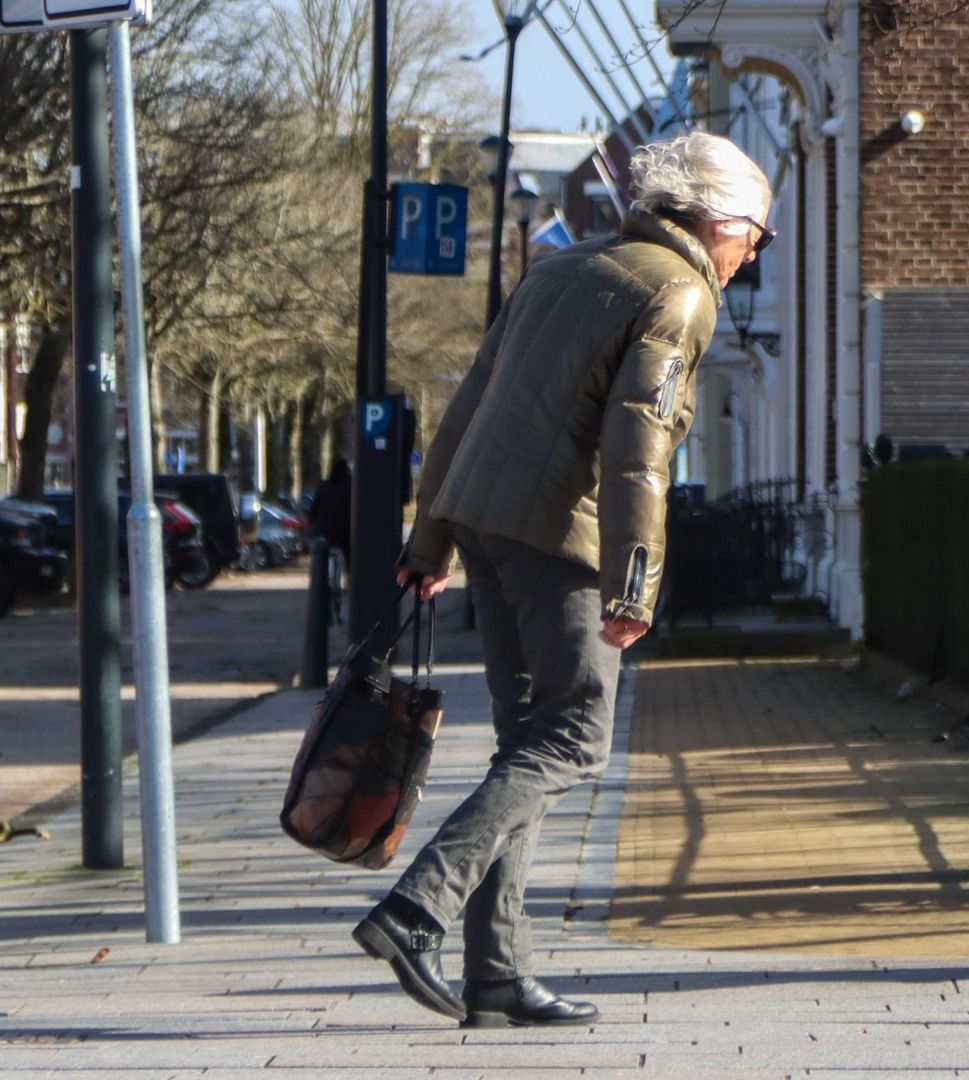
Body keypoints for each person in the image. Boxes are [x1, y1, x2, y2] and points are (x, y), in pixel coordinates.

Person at [352, 132, 773, 1026]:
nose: (751, 256)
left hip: (484, 523)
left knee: (525, 747)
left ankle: (496, 972)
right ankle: (419, 906)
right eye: (756, 236)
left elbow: (467, 404)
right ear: (718, 220)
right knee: (575, 737)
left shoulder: (561, 268)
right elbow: (638, 454)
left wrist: (429, 542)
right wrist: (634, 585)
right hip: (560, 539)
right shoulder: (680, 291)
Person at [306, 458, 352, 569]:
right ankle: (349, 574)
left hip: (322, 532)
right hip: (343, 533)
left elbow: (313, 511)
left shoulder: (323, 486)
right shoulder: (349, 486)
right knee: (349, 553)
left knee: (320, 556)